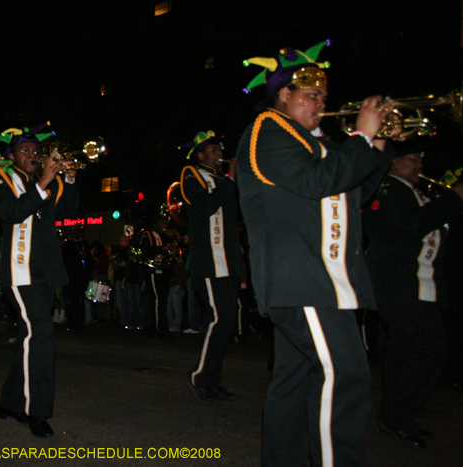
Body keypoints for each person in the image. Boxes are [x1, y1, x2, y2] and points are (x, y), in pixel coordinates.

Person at [236, 42, 395, 467]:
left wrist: (377, 147)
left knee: (295, 381)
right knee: (343, 375)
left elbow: (352, 192)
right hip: (303, 279)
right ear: (284, 93)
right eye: (312, 94)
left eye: (324, 95)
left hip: (321, 280)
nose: (322, 103)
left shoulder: (317, 143)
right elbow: (316, 183)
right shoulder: (267, 130)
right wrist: (361, 137)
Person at [362, 144, 463, 449]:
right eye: (412, 159)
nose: (419, 165)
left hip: (417, 283)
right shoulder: (388, 190)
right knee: (429, 345)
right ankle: (398, 415)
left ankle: (397, 416)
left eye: (421, 159)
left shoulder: (416, 193)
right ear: (393, 163)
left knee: (405, 348)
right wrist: (454, 197)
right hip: (398, 284)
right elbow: (412, 224)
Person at [0, 124, 79, 438]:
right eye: (25, 151)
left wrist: (70, 176)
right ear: (11, 154)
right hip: (19, 270)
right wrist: (45, 182)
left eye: (37, 152)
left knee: (31, 336)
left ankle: (10, 402)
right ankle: (34, 411)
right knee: (41, 336)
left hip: (44, 270)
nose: (33, 156)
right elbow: (11, 212)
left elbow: (68, 210)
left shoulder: (45, 181)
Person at [179, 131, 245, 402]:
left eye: (220, 148)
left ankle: (210, 379)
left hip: (227, 262)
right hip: (209, 262)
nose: (219, 152)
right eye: (213, 149)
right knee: (222, 318)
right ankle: (202, 378)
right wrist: (230, 179)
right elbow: (206, 206)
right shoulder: (190, 173)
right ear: (200, 154)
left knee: (228, 318)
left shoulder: (222, 179)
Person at [139, 215, 176, 338]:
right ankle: (159, 329)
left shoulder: (165, 235)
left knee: (161, 300)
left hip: (163, 271)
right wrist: (163, 248)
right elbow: (146, 251)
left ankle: (159, 327)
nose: (163, 224)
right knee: (157, 299)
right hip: (154, 271)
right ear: (155, 224)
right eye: (161, 222)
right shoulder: (148, 235)